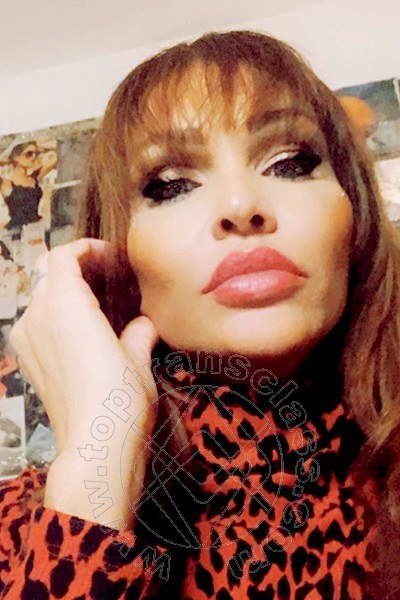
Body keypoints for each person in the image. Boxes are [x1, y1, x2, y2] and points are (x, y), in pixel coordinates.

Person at [1, 30, 399, 599]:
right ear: (116, 261)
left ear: (356, 221)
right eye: (170, 186)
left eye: (290, 163)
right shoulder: (15, 531)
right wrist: (97, 468)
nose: (240, 205)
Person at [0, 141, 56, 232]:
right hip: (17, 232)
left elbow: (55, 157)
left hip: (37, 229)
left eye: (36, 154)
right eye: (29, 154)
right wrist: (5, 161)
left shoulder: (34, 178)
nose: (33, 157)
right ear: (16, 157)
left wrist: (39, 145)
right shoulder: (6, 184)